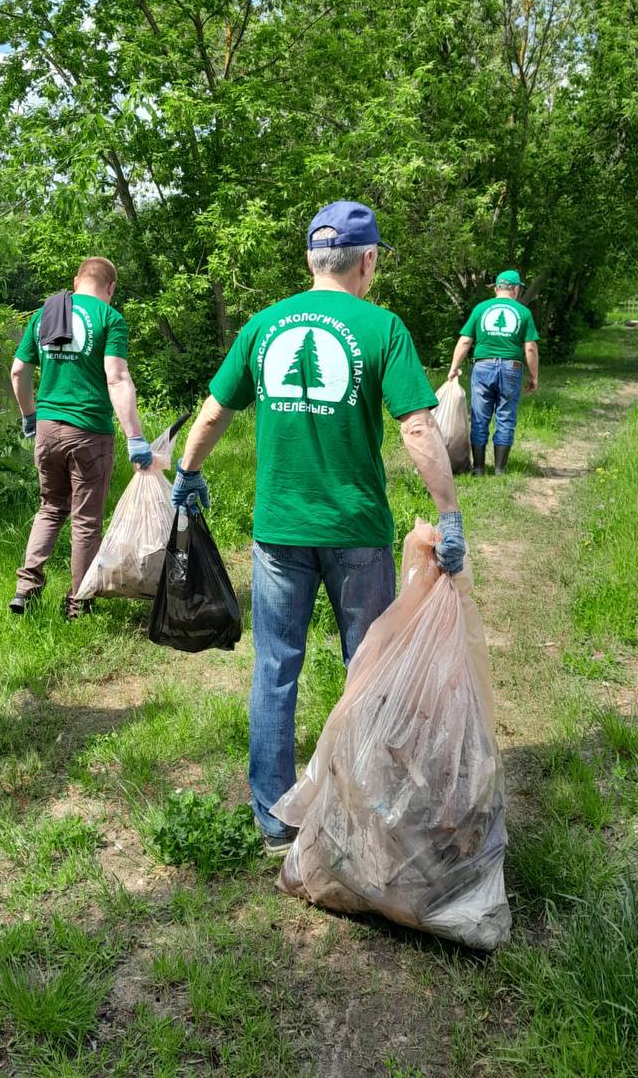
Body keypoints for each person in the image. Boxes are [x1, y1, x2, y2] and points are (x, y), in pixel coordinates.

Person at [171, 202, 466, 854]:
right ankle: (370, 810)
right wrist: (448, 515)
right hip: (356, 530)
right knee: (369, 666)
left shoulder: (264, 325)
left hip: (280, 529)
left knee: (276, 668)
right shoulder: (382, 327)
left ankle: (274, 821)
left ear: (310, 259)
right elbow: (418, 428)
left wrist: (187, 472)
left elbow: (214, 411)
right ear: (368, 261)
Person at [9, 257, 152, 619]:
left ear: (76, 281)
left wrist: (29, 416)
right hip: (88, 431)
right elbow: (116, 378)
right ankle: (79, 604)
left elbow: (18, 371)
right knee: (86, 521)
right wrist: (135, 437)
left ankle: (26, 589)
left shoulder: (44, 314)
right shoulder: (110, 318)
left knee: (50, 508)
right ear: (111, 288)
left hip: (47, 430)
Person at [447, 269, 539, 476]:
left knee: (479, 417)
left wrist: (454, 367)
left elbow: (465, 341)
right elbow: (531, 348)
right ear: (515, 289)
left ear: (497, 288)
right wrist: (534, 376)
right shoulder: (523, 312)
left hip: (483, 367)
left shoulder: (481, 309)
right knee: (506, 416)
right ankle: (500, 470)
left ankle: (479, 468)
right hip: (511, 368)